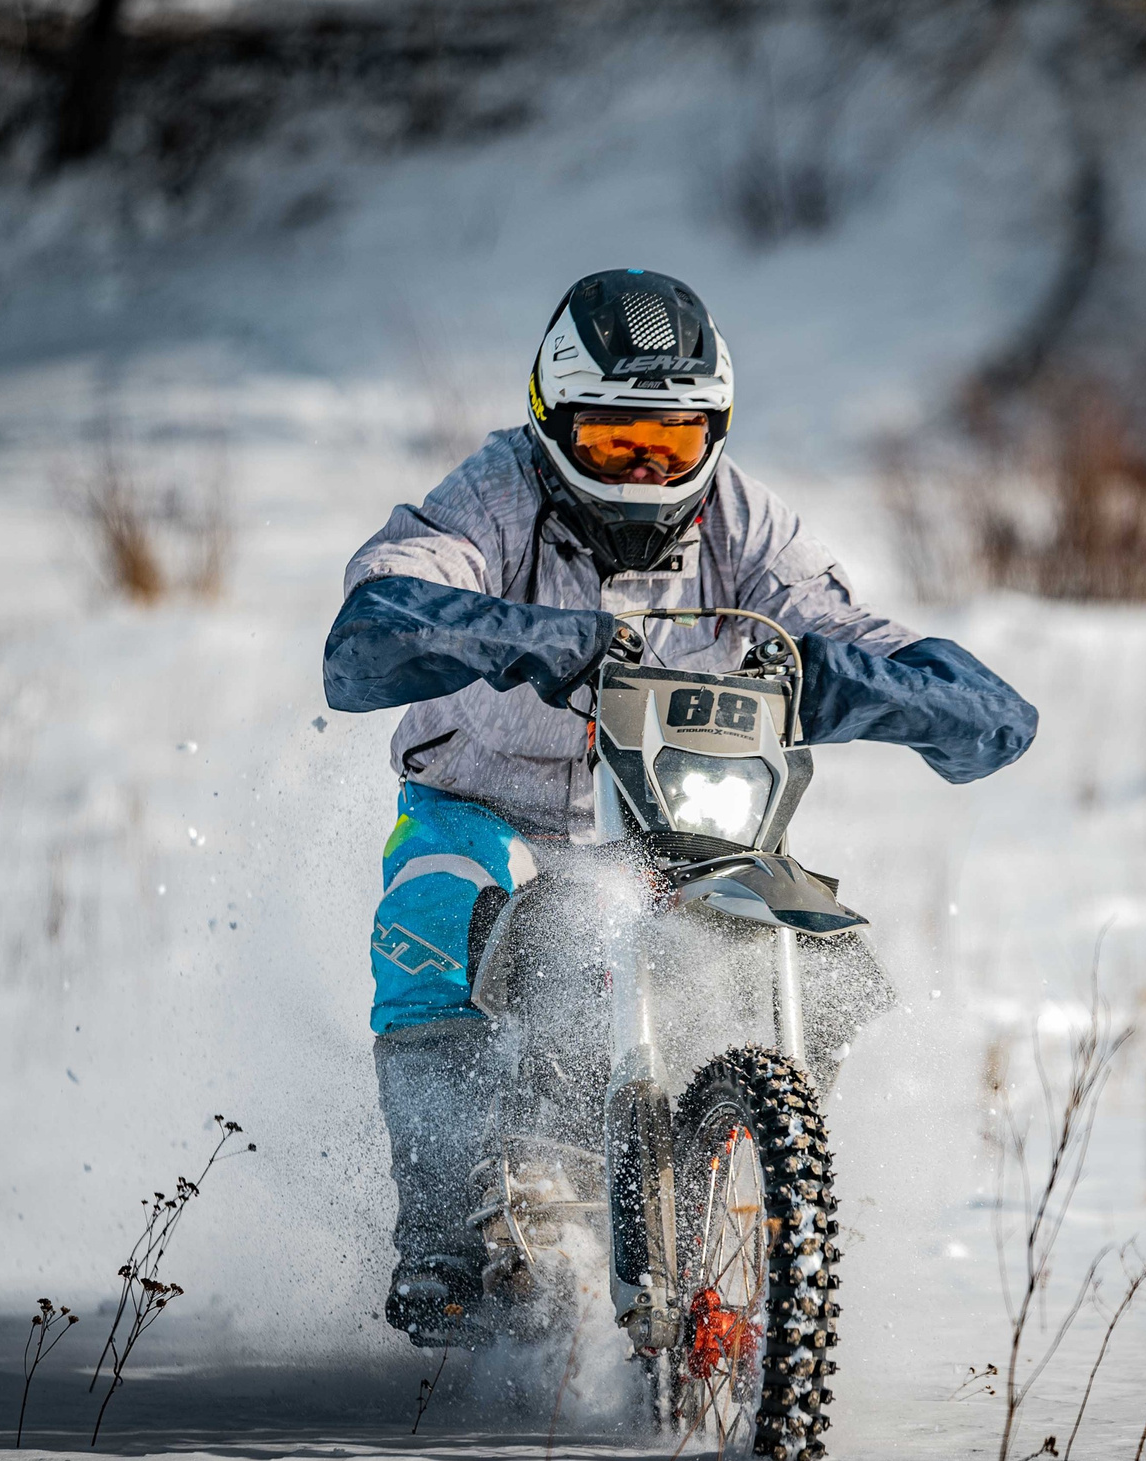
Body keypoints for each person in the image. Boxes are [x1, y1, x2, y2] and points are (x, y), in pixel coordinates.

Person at [322, 268, 1037, 1345]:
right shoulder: (492, 500)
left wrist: (869, 684)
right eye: (616, 441)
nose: (648, 469)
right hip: (484, 807)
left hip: (675, 823)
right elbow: (373, 620)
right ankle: (441, 1243)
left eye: (672, 439)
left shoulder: (744, 523)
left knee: (824, 958)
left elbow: (861, 634)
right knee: (432, 907)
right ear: (551, 421)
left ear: (716, 430)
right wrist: (532, 641)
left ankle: (749, 1196)